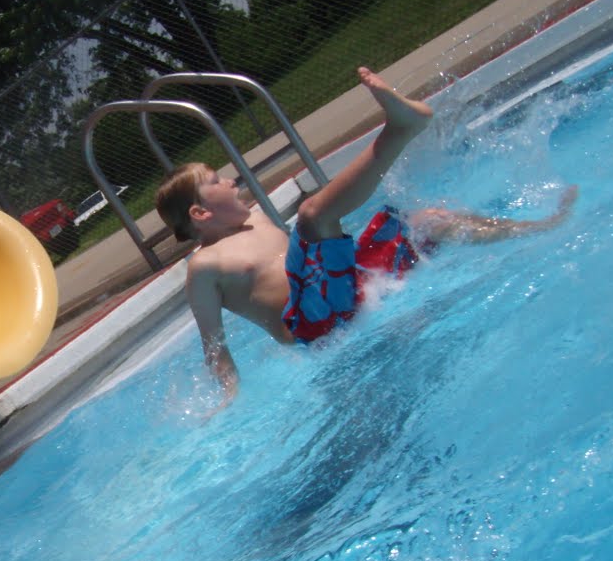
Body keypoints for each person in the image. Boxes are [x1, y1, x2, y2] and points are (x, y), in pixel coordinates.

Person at [156, 67, 577, 400]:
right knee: (312, 215)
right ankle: (400, 129)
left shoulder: (257, 220)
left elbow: (321, 260)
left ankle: (541, 226)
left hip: (348, 292)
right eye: (219, 181)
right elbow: (214, 345)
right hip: (314, 326)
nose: (233, 182)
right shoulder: (205, 267)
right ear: (200, 212)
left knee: (425, 220)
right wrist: (230, 395)